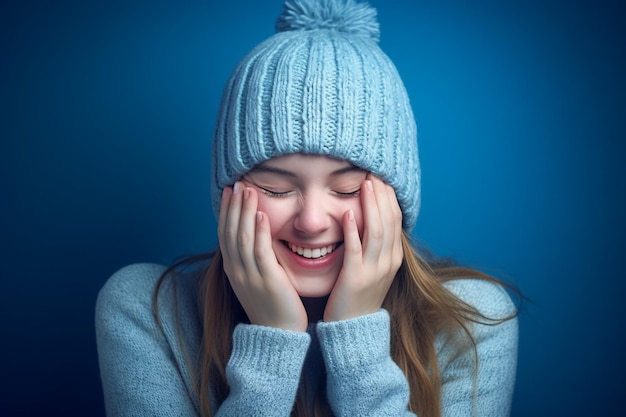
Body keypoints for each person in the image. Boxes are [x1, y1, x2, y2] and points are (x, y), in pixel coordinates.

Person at [95, 0, 519, 416]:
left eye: (348, 187)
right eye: (276, 187)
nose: (312, 221)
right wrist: (272, 342)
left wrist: (357, 347)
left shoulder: (474, 321)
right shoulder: (147, 310)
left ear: (397, 200)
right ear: (226, 194)